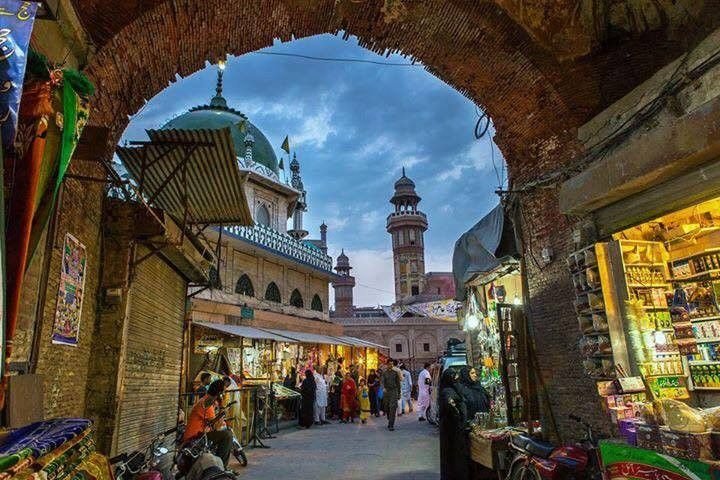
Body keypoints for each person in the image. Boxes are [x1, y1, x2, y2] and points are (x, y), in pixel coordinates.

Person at [183, 380, 233, 466]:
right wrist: (222, 413)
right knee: (227, 435)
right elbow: (216, 426)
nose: (224, 394)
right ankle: (221, 467)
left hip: (200, 434)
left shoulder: (206, 399)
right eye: (223, 392)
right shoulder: (207, 403)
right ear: (219, 392)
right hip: (196, 437)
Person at [439, 369, 469, 480]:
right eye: (454, 377)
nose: (456, 379)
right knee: (454, 455)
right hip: (452, 429)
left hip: (454, 428)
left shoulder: (453, 389)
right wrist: (459, 418)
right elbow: (451, 406)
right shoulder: (447, 391)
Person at [381, 359, 401, 431]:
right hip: (386, 392)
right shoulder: (384, 373)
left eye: (392, 364)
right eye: (390, 364)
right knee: (386, 407)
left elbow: (398, 384)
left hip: (393, 391)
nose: (391, 365)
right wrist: (383, 388)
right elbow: (382, 382)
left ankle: (391, 425)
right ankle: (389, 416)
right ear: (387, 365)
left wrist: (399, 394)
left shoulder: (395, 373)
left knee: (393, 407)